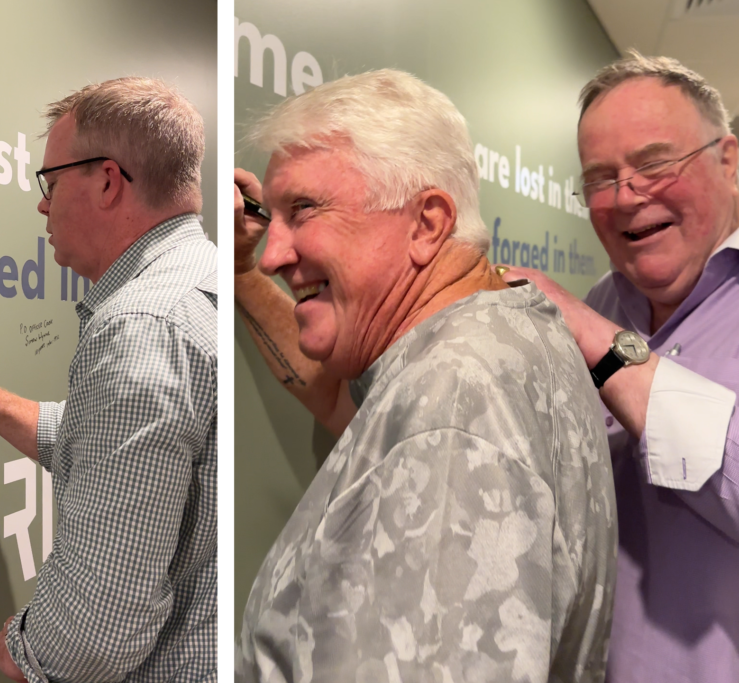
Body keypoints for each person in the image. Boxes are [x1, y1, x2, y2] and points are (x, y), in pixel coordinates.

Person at [233, 69, 617, 682]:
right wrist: (241, 271)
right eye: (272, 215)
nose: (274, 252)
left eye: (303, 210)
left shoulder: (454, 402)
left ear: (427, 224)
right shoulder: (496, 335)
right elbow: (355, 406)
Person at [0, 77, 217, 682]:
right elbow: (93, 438)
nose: (42, 204)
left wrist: (27, 655)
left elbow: (98, 630)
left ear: (107, 181)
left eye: (51, 184)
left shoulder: (142, 327)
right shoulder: (202, 284)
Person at [497, 53, 739, 682]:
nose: (626, 196)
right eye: (600, 178)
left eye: (655, 164)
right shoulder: (605, 302)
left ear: (729, 161)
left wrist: (598, 342)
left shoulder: (590, 323)